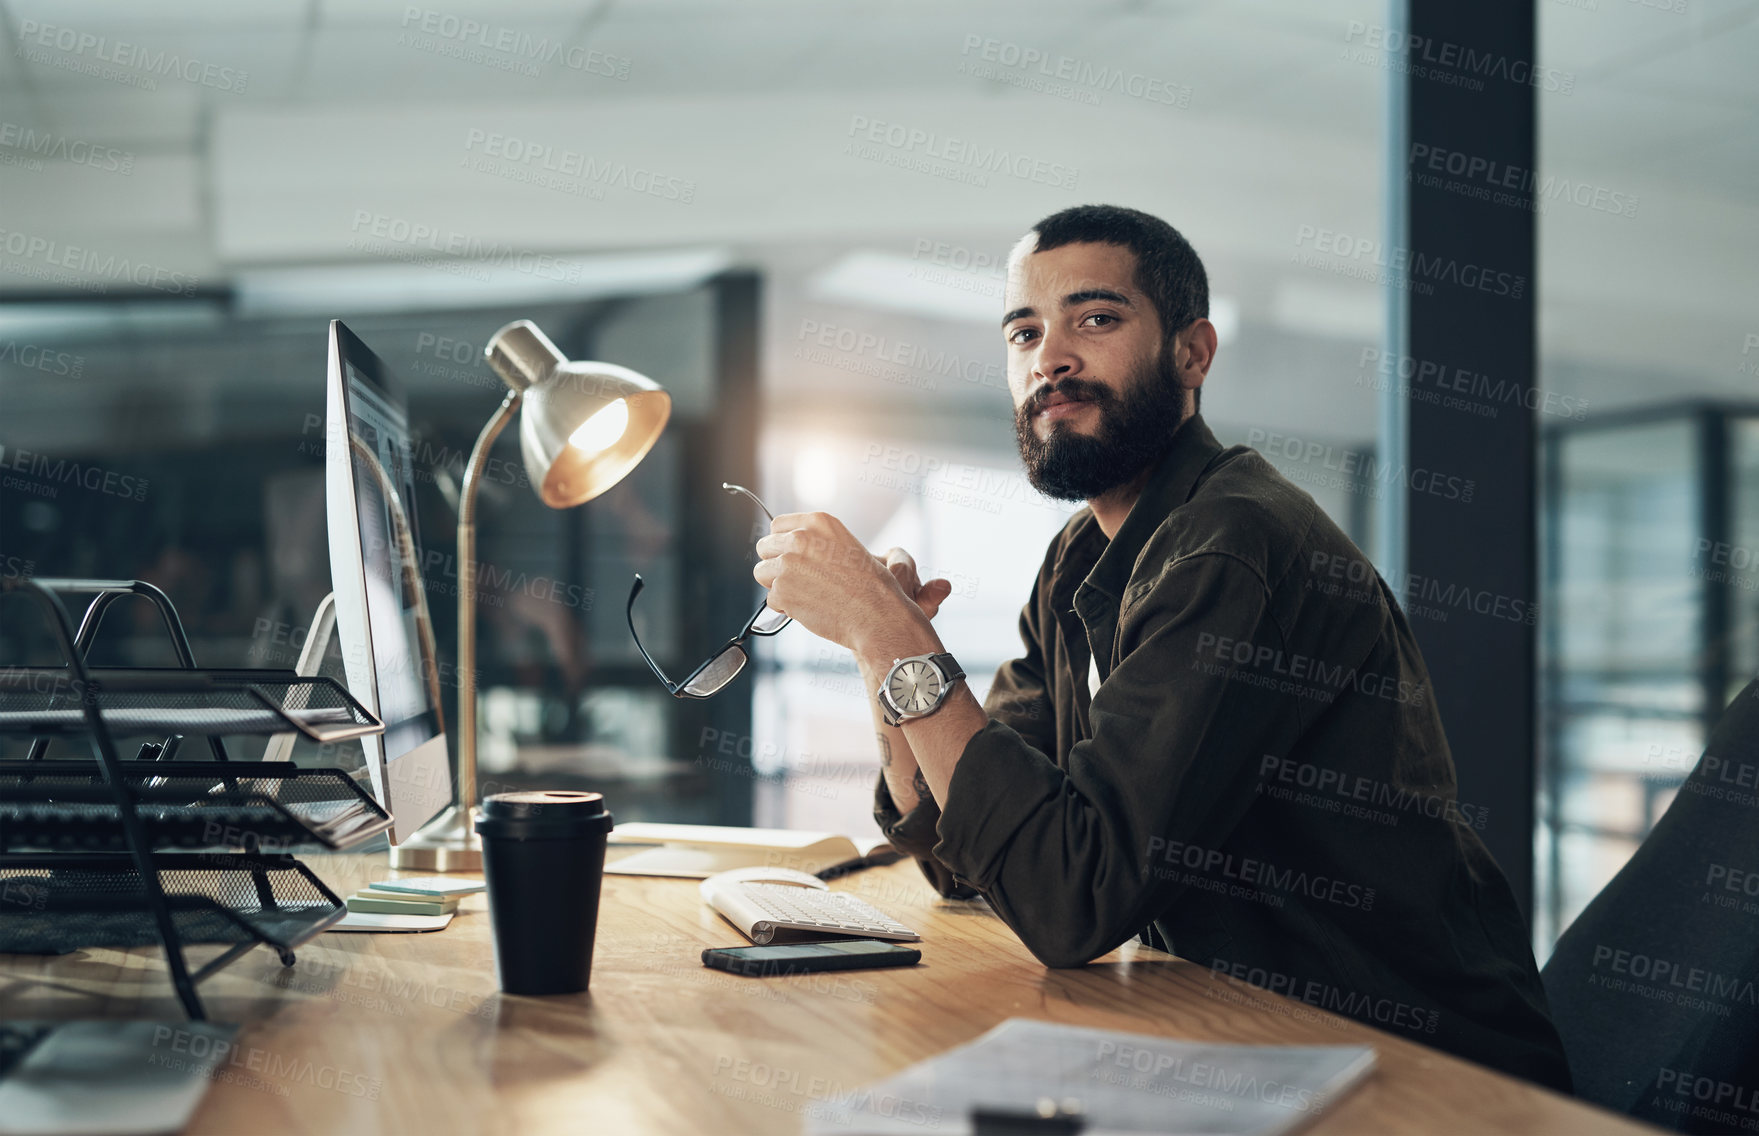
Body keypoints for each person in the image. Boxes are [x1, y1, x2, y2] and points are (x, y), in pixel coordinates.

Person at [752, 204, 1571, 1091]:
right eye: (1023, 332)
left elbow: (1071, 902)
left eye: (1095, 320)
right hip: (1244, 1039)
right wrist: (884, 659)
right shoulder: (1080, 557)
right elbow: (969, 859)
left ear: (1192, 353)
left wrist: (889, 628)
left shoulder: (1229, 544)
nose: (1049, 357)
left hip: (1419, 1075)